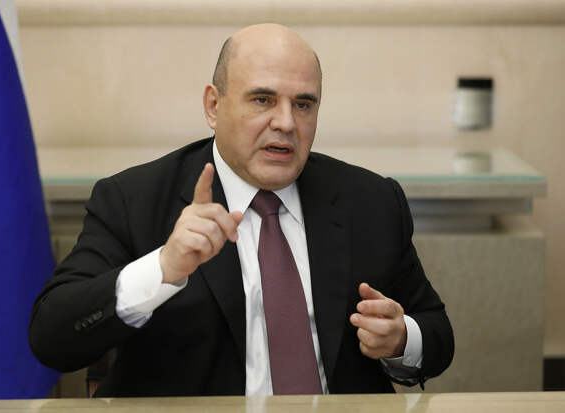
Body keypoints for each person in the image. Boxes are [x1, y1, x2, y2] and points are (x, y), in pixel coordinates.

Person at [29, 23, 453, 397]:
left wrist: (402, 339)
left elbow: (436, 333)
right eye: (263, 100)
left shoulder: (371, 200)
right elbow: (52, 337)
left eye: (303, 104)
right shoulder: (133, 199)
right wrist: (162, 267)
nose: (286, 123)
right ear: (214, 106)